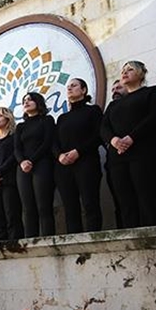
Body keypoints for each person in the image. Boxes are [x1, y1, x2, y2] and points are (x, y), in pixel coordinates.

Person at [100, 61, 156, 228]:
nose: (124, 73)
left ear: (141, 74)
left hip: (145, 153)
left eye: (130, 69)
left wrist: (131, 137)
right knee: (125, 200)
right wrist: (114, 140)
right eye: (123, 70)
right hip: (118, 156)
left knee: (147, 196)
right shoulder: (114, 104)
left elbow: (155, 116)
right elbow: (104, 126)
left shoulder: (153, 92)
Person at [53, 78, 103, 233]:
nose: (70, 88)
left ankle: (93, 238)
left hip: (86, 162)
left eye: (74, 85)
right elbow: (53, 142)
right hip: (64, 167)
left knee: (90, 202)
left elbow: (98, 135)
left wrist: (78, 151)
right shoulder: (62, 118)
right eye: (68, 86)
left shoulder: (93, 111)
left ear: (84, 90)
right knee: (69, 206)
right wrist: (60, 155)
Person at [14, 92, 56, 237]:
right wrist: (22, 161)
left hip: (42, 164)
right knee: (27, 208)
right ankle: (30, 241)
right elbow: (17, 148)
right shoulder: (20, 127)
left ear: (38, 103)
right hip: (23, 168)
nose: (26, 102)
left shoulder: (47, 120)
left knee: (44, 206)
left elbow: (47, 143)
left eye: (30, 100)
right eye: (24, 100)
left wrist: (31, 160)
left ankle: (48, 240)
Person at [0, 106, 22, 240]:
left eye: (0, 116)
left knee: (11, 214)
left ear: (8, 118)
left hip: (9, 181)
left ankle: (13, 244)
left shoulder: (13, 137)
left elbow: (14, 157)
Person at [104, 79, 127, 229]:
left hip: (139, 156)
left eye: (119, 87)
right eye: (113, 89)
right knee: (120, 200)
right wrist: (113, 141)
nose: (115, 91)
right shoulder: (111, 107)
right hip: (114, 159)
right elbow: (103, 128)